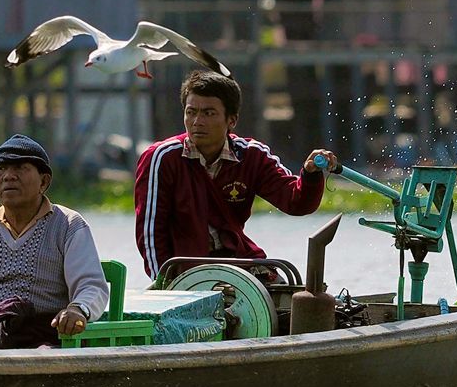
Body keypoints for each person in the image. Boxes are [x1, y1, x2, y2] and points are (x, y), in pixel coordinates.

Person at [134, 70, 333, 278]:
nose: (197, 122)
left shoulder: (252, 155)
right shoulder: (161, 158)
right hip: (187, 272)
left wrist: (310, 174)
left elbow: (296, 202)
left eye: (209, 113)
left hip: (239, 264)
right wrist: (167, 286)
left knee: (289, 293)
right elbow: (150, 234)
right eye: (191, 112)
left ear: (232, 120)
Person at [0, 133, 109, 348]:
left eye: (20, 168)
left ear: (44, 181)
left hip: (46, 339)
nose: (9, 176)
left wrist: (77, 309)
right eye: (1, 169)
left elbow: (91, 286)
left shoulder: (68, 225)